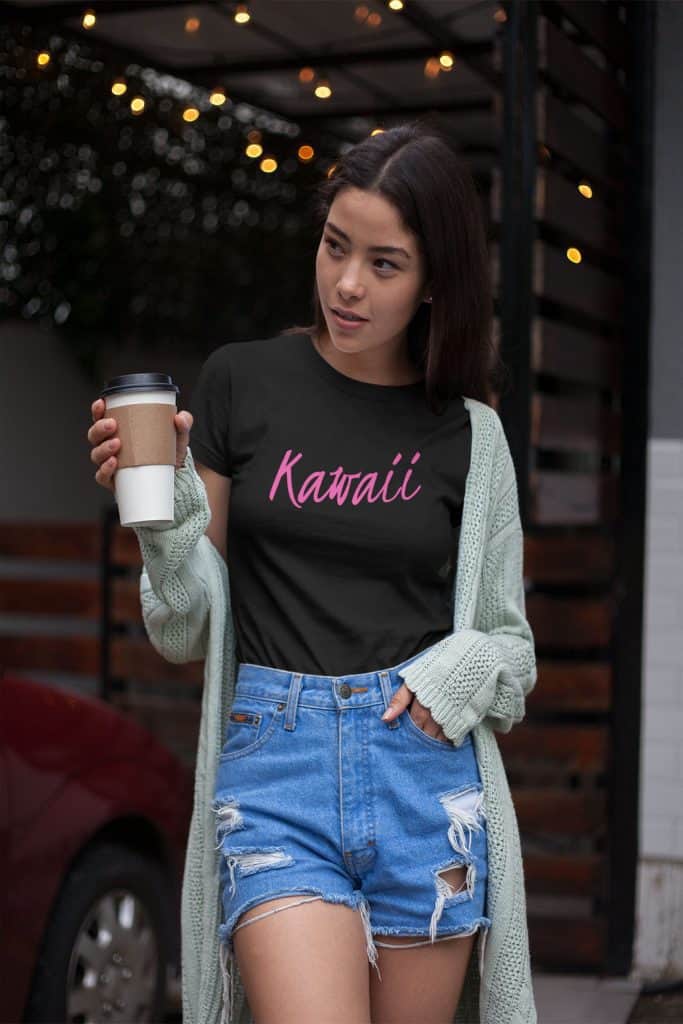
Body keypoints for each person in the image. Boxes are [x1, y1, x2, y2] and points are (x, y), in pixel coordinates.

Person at [88, 119, 538, 1024]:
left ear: (432, 282)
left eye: (384, 263)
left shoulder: (472, 436)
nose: (345, 283)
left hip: (423, 776)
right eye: (336, 245)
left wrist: (451, 670)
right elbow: (184, 629)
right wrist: (165, 524)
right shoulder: (239, 383)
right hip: (275, 769)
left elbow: (511, 653)